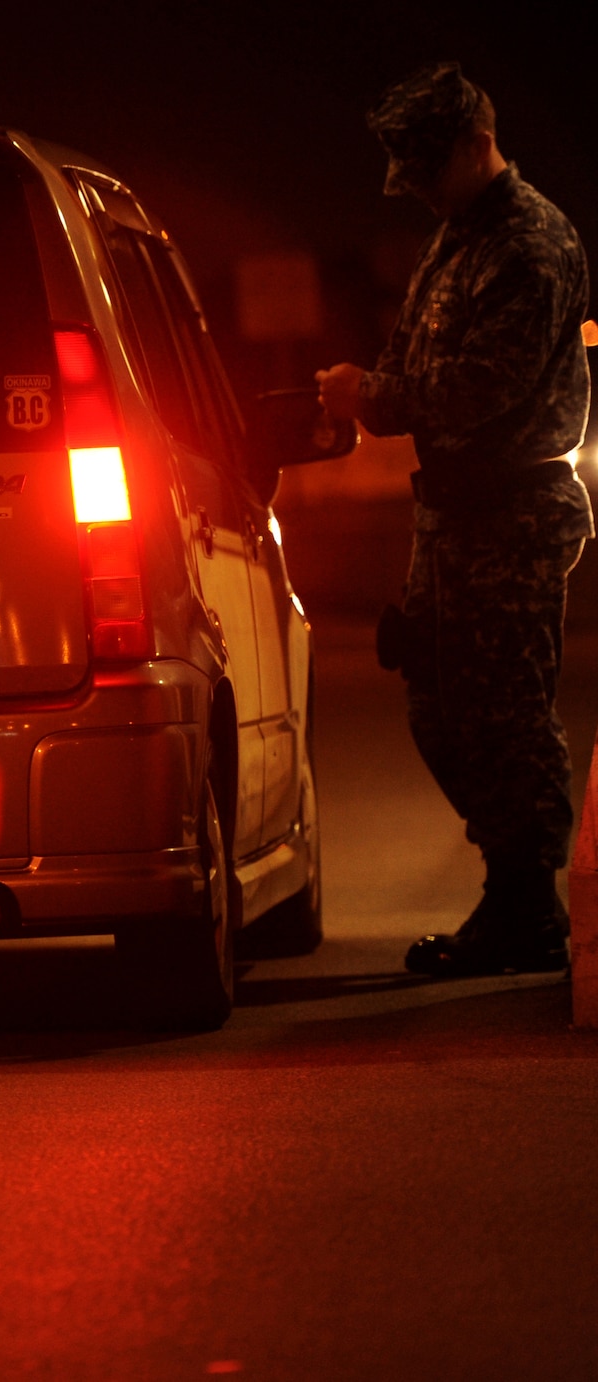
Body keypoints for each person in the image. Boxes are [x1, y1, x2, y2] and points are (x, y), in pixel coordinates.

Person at [316, 64, 593, 976]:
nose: (423, 193)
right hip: (454, 514)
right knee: (440, 707)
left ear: (479, 145)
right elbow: (411, 355)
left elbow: (477, 390)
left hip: (513, 515)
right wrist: (371, 387)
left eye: (431, 172)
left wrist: (371, 396)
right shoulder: (456, 237)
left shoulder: (530, 244)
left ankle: (527, 905)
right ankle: (511, 887)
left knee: (506, 714)